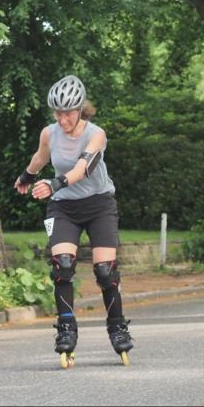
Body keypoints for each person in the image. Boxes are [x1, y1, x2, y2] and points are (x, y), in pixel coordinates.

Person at [13, 75, 133, 368]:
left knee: (105, 271)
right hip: (64, 207)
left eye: (67, 112)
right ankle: (66, 328)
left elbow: (84, 167)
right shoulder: (49, 133)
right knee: (62, 265)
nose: (62, 118)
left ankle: (117, 326)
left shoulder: (96, 134)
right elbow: (40, 157)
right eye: (57, 112)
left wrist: (56, 183)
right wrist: (27, 176)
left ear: (80, 109)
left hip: (99, 205)